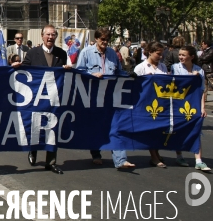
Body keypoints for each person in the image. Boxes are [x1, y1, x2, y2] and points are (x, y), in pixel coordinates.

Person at [12, 25, 72, 174]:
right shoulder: (32, 53)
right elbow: (25, 70)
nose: (50, 37)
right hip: (36, 99)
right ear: (42, 36)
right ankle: (33, 150)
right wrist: (16, 66)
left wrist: (67, 69)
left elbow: (64, 75)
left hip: (54, 99)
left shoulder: (61, 54)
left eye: (53, 35)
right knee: (36, 127)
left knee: (53, 129)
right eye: (48, 35)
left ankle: (51, 162)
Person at [76, 27, 134, 169]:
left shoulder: (113, 54)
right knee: (95, 126)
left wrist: (129, 75)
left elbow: (119, 71)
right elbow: (78, 72)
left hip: (110, 96)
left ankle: (120, 160)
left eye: (107, 40)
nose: (105, 42)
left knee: (115, 126)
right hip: (93, 96)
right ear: (96, 39)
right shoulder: (86, 53)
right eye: (102, 39)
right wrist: (92, 75)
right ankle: (96, 153)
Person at [171, 45, 210, 171]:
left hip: (194, 104)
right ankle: (179, 155)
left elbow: (202, 90)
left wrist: (203, 108)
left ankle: (198, 160)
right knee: (180, 130)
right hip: (179, 104)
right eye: (180, 55)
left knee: (196, 130)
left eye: (183, 55)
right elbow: (176, 85)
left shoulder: (199, 70)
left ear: (191, 57)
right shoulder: (175, 67)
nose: (180, 57)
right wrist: (191, 78)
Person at [133, 41, 168, 168]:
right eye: (158, 54)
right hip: (147, 103)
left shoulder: (163, 67)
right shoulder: (140, 67)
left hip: (161, 103)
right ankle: (153, 156)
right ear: (150, 52)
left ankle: (156, 153)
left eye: (162, 54)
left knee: (159, 130)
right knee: (151, 130)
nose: (160, 56)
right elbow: (134, 86)